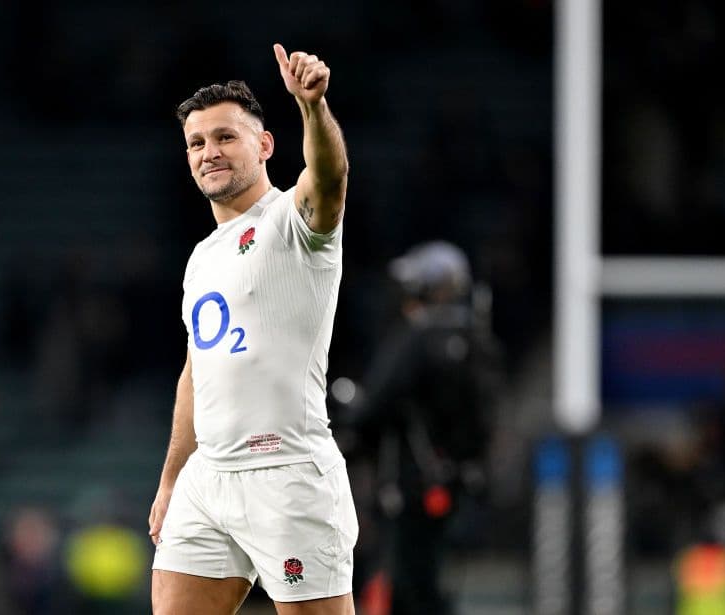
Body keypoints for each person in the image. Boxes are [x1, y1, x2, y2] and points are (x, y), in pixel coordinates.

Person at [148, 44, 358, 615]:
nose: (209, 152)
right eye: (197, 143)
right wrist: (172, 478)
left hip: (287, 474)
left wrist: (312, 107)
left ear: (264, 145)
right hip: (208, 477)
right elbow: (198, 370)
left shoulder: (292, 221)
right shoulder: (201, 257)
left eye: (225, 137)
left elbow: (330, 176)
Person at [337, 241, 501, 615]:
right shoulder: (476, 339)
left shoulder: (418, 338)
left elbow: (374, 406)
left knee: (410, 585)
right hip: (457, 484)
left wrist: (351, 427)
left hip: (412, 484)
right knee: (428, 580)